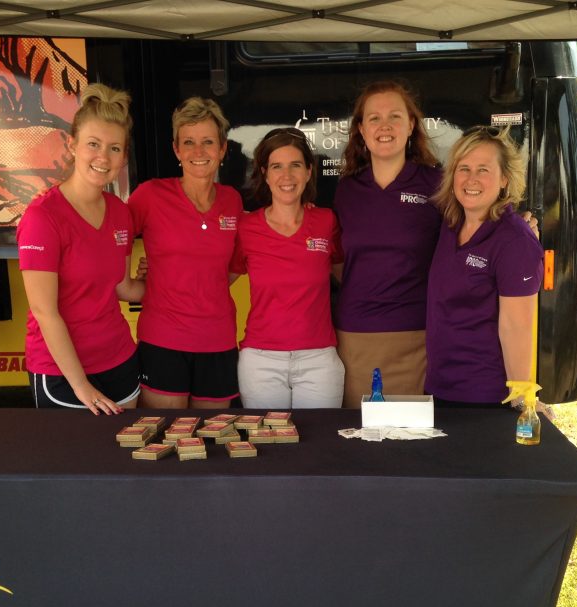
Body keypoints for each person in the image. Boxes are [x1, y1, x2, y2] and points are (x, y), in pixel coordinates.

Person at [19, 83, 143, 414]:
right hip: (63, 372)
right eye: (93, 144)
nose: (103, 157)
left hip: (119, 359)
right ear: (72, 145)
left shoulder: (119, 211)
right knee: (78, 462)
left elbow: (122, 287)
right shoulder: (43, 217)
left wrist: (166, 280)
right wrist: (80, 385)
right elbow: (45, 311)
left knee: (126, 457)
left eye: (115, 148)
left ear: (124, 156)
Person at [127, 97, 241, 410]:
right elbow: (111, 236)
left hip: (217, 340)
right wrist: (133, 282)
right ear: (176, 149)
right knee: (166, 439)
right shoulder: (150, 195)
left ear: (222, 149)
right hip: (163, 339)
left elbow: (230, 268)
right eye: (188, 142)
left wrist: (191, 279)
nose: (198, 152)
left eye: (207, 142)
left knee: (212, 441)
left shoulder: (233, 201)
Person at [333, 80, 441, 407]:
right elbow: (337, 260)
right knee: (360, 440)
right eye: (374, 118)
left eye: (395, 116)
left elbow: (470, 235)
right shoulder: (347, 190)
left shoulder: (436, 184)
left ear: (411, 125)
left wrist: (516, 221)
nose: (385, 126)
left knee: (409, 442)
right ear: (361, 130)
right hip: (355, 336)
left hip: (416, 336)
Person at [425, 126, 544, 407]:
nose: (471, 179)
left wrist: (522, 398)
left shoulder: (514, 240)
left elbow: (517, 326)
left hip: (486, 397)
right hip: (441, 387)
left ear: (504, 178)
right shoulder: (450, 224)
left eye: (483, 169)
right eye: (463, 168)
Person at [230, 127, 344, 408]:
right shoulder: (246, 227)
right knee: (268, 448)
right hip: (260, 360)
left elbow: (347, 276)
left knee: (320, 447)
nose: (286, 176)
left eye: (295, 165)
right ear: (265, 173)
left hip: (319, 359)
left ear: (308, 171)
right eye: (277, 166)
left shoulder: (326, 221)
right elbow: (216, 279)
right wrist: (159, 270)